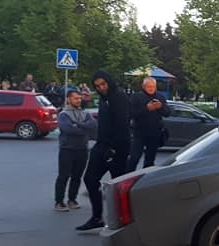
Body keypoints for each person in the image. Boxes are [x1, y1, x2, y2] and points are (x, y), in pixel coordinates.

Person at [77, 70, 131, 231]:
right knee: (90, 179)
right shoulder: (103, 100)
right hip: (101, 146)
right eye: (97, 86)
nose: (101, 88)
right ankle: (97, 217)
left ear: (109, 82)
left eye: (103, 84)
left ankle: (124, 219)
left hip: (117, 148)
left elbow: (122, 125)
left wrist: (114, 149)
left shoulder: (119, 98)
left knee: (118, 186)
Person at [54, 88, 97, 212]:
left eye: (79, 98)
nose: (78, 100)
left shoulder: (85, 113)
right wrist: (83, 128)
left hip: (82, 148)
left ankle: (72, 199)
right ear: (68, 99)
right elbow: (68, 129)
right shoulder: (64, 114)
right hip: (67, 149)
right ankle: (59, 201)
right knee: (63, 176)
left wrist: (78, 125)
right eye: (75, 98)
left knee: (77, 176)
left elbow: (93, 126)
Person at [128, 77, 168, 171]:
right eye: (148, 86)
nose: (151, 88)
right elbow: (131, 114)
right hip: (139, 132)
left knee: (150, 160)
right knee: (134, 158)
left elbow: (167, 113)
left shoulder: (160, 97)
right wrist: (146, 108)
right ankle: (127, 178)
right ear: (143, 86)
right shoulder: (136, 97)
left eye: (153, 86)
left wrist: (161, 107)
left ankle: (146, 180)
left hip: (155, 133)